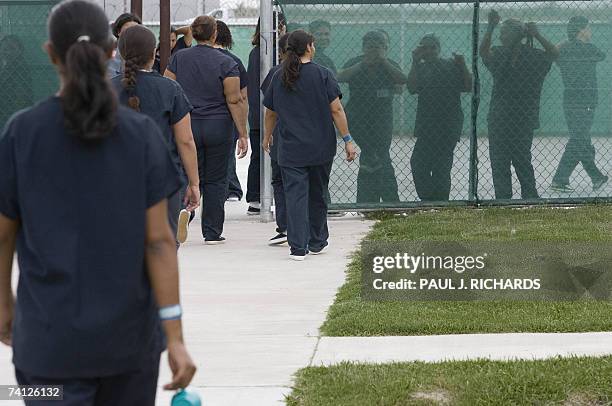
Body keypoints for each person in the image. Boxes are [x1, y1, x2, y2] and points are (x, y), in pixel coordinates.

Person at [0, 1, 196, 404]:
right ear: (111, 50)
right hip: (128, 347)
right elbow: (159, 241)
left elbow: (3, 236)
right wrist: (174, 336)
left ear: (51, 53)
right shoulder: (141, 136)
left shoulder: (22, 134)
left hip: (45, 348)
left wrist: (4, 306)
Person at [262, 30, 357, 260]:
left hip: (290, 148)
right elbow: (336, 110)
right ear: (310, 47)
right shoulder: (323, 74)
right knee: (317, 193)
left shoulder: (278, 76)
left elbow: (271, 113)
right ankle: (317, 240)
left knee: (295, 196)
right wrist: (348, 139)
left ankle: (297, 247)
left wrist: (267, 136)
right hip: (320, 146)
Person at [113, 25, 200, 246]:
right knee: (163, 250)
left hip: (115, 179)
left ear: (120, 52)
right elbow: (185, 140)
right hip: (163, 179)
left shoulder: (102, 90)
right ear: (154, 53)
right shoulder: (170, 89)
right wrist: (194, 184)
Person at [165, 15, 248, 245]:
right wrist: (243, 133)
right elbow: (235, 99)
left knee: (187, 174)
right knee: (216, 179)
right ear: (214, 35)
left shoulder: (178, 58)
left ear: (194, 32)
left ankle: (185, 212)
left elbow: (168, 86)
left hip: (187, 124)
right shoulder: (227, 62)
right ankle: (212, 232)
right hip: (218, 125)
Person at [480, 10, 558, 200]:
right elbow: (483, 52)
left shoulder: (532, 56)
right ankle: (504, 198)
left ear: (516, 34)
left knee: (521, 159)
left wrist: (537, 34)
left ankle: (529, 197)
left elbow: (555, 54)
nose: (501, 36)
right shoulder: (501, 53)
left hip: (519, 117)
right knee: (501, 161)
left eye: (504, 32)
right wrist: (490, 27)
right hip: (504, 117)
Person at [337, 30, 407, 203]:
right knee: (371, 153)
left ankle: (375, 199)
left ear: (385, 48)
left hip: (382, 118)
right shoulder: (356, 63)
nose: (373, 51)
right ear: (363, 48)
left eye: (378, 47)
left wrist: (383, 61)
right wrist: (363, 64)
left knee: (378, 155)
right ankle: (383, 200)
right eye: (369, 47)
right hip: (358, 118)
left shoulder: (389, 64)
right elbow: (339, 77)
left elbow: (402, 81)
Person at [407, 34, 472, 201]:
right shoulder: (420, 68)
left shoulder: (451, 65)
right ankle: (430, 199)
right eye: (424, 48)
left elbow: (468, 86)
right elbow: (412, 88)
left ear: (439, 49)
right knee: (418, 163)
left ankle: (439, 202)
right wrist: (414, 61)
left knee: (441, 167)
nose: (428, 51)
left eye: (432, 47)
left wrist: (463, 65)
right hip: (427, 125)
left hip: (448, 124)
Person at [551, 16, 608, 193]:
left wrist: (566, 42)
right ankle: (560, 180)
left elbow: (552, 53)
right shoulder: (589, 49)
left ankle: (595, 177)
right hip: (586, 102)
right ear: (581, 30)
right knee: (579, 140)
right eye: (588, 28)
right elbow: (602, 55)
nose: (590, 31)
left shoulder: (565, 50)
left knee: (580, 139)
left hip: (570, 100)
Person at [246, 14, 287, 215]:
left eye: (281, 25)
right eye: (276, 25)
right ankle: (255, 197)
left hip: (267, 113)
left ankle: (258, 197)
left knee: (263, 156)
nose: (280, 29)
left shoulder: (273, 54)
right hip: (262, 114)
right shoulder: (260, 53)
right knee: (259, 156)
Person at [214, 20, 248, 202]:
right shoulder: (234, 61)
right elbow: (242, 97)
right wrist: (242, 129)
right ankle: (230, 189)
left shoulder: (186, 58)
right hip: (226, 117)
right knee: (226, 157)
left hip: (197, 117)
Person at [261, 33, 290, 245]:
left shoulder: (275, 73)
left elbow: (269, 109)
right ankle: (308, 226)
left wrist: (267, 135)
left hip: (282, 134)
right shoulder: (319, 73)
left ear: (280, 52)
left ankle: (286, 226)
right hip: (309, 135)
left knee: (280, 180)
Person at [0, 35, 33, 128]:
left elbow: (22, 93)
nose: (7, 52)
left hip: (13, 106)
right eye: (5, 48)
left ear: (20, 51)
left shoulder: (20, 67)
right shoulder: (3, 65)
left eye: (11, 48)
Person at [108, 12, 142, 78]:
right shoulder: (109, 55)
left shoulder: (146, 54)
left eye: (136, 29)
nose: (132, 33)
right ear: (118, 32)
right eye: (128, 30)